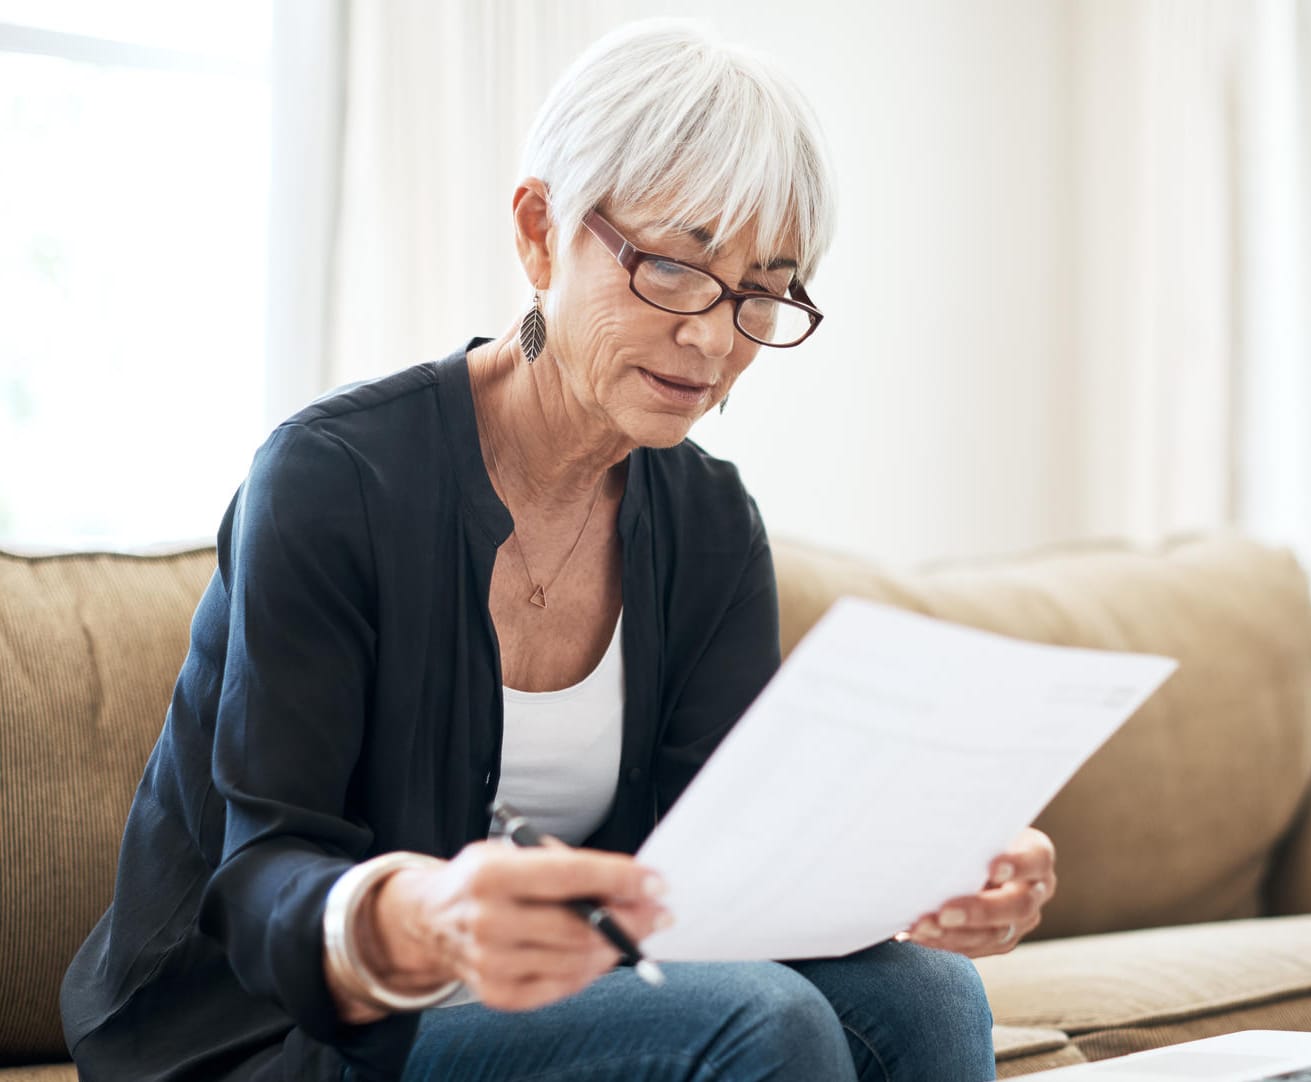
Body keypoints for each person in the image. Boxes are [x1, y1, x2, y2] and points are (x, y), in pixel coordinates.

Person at [60, 19, 1058, 1082]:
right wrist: (420, 912)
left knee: (930, 994)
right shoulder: (331, 479)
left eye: (762, 290)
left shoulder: (712, 523)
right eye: (676, 266)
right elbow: (261, 871)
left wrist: (916, 868)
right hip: (262, 1030)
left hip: (528, 1007)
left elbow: (714, 870)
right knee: (765, 1023)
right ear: (540, 231)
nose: (716, 339)